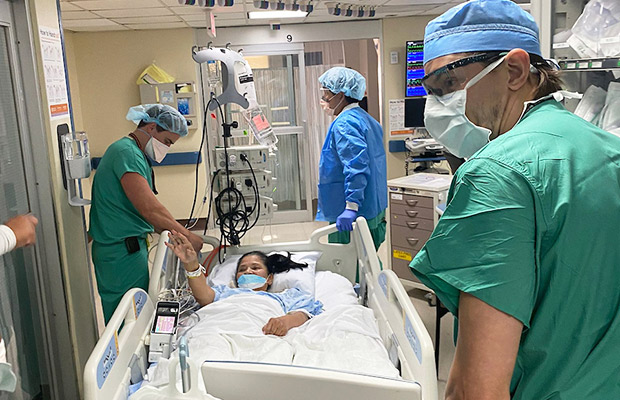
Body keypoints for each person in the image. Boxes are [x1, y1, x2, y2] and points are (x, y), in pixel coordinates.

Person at [409, 1, 620, 399]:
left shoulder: (497, 174)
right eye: (431, 92)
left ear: (515, 71)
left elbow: (480, 389)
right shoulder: (607, 149)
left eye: (448, 84)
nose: (438, 105)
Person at [89, 104, 204, 323]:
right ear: (151, 127)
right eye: (168, 141)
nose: (167, 148)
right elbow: (150, 209)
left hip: (126, 248)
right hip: (120, 251)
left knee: (136, 315)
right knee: (127, 320)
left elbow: (151, 208)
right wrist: (187, 236)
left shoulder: (132, 153)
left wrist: (180, 233)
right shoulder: (126, 153)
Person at [166, 230, 322, 336]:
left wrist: (284, 322)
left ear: (269, 278)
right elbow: (203, 296)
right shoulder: (225, 293)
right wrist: (191, 264)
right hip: (218, 330)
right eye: (242, 269)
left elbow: (304, 313)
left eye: (255, 267)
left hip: (260, 332)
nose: (248, 271)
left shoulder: (285, 297)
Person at [317, 67, 387, 250]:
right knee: (368, 263)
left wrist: (351, 207)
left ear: (340, 94)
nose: (324, 98)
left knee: (350, 268)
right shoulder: (368, 120)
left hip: (354, 214)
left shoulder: (345, 124)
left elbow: (356, 166)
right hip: (373, 206)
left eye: (326, 92)